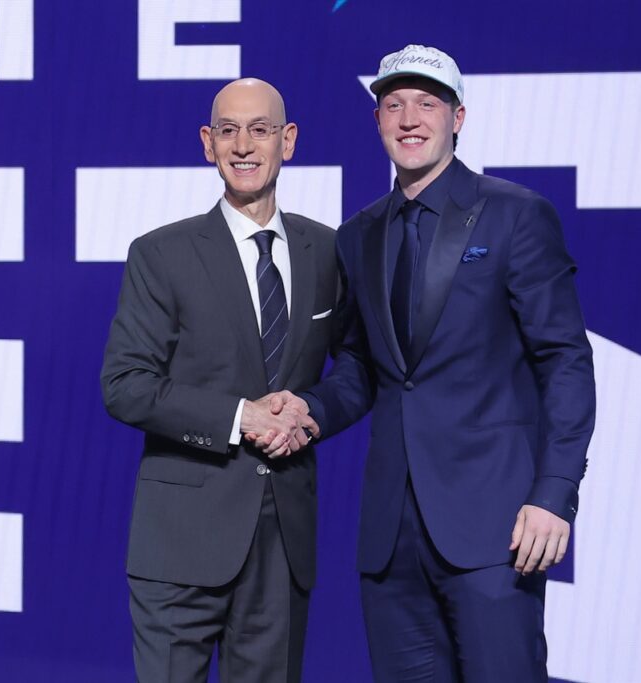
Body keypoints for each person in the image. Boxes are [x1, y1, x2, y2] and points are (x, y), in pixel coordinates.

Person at [254, 45, 596, 681]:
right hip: (391, 540)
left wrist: (554, 493)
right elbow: (362, 367)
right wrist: (312, 408)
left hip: (496, 527)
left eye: (427, 103)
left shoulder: (517, 214)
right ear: (379, 121)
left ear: (458, 117)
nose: (409, 118)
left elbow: (566, 361)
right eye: (394, 105)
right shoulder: (358, 235)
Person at [101, 78, 336, 683]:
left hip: (282, 542)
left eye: (260, 129)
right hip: (180, 540)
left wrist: (311, 410)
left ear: (289, 141)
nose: (243, 144)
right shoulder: (161, 254)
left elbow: (359, 370)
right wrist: (241, 418)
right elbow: (125, 383)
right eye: (227, 130)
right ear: (208, 144)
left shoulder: (328, 251)